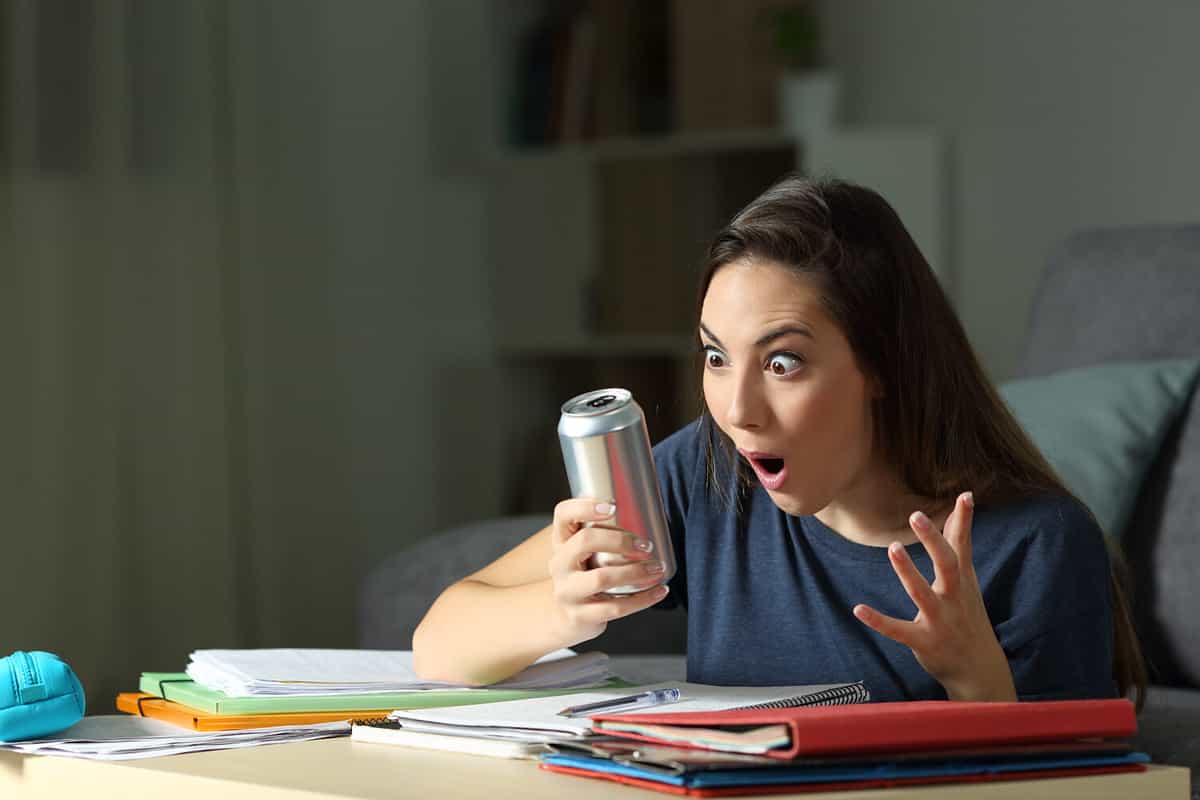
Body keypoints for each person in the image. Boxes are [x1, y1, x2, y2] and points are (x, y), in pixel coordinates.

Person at [413, 174, 1145, 705]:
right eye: (716, 356)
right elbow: (439, 645)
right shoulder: (705, 473)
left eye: (783, 363)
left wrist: (975, 678)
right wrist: (570, 608)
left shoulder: (1037, 545)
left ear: (882, 364)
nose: (738, 410)